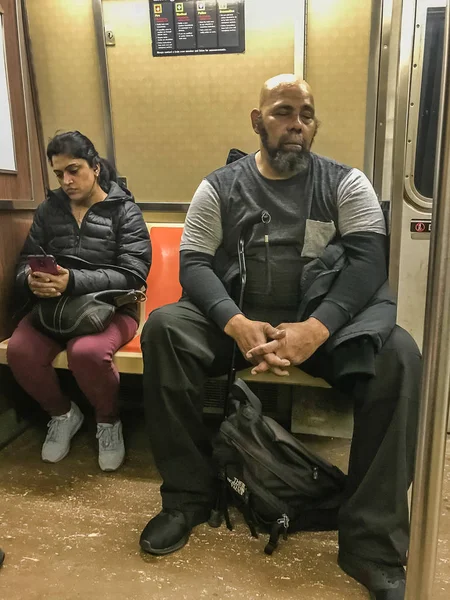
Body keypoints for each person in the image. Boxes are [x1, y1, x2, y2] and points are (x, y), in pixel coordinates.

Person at [139, 75, 421, 599]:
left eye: (307, 114)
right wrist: (235, 321)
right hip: (238, 321)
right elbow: (196, 264)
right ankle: (186, 499)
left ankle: (372, 544)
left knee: (399, 356)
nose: (297, 125)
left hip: (319, 325)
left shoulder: (346, 183)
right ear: (256, 120)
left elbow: (367, 262)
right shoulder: (218, 186)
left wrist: (315, 330)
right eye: (283, 112)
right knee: (164, 330)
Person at [7, 131, 151, 472]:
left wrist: (73, 281)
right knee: (20, 350)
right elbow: (26, 260)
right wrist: (31, 281)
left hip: (113, 306)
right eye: (59, 174)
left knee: (86, 352)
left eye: (74, 170)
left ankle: (107, 420)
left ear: (96, 167)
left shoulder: (124, 211)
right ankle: (62, 414)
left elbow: (133, 273)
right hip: (55, 307)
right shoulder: (49, 209)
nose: (66, 181)